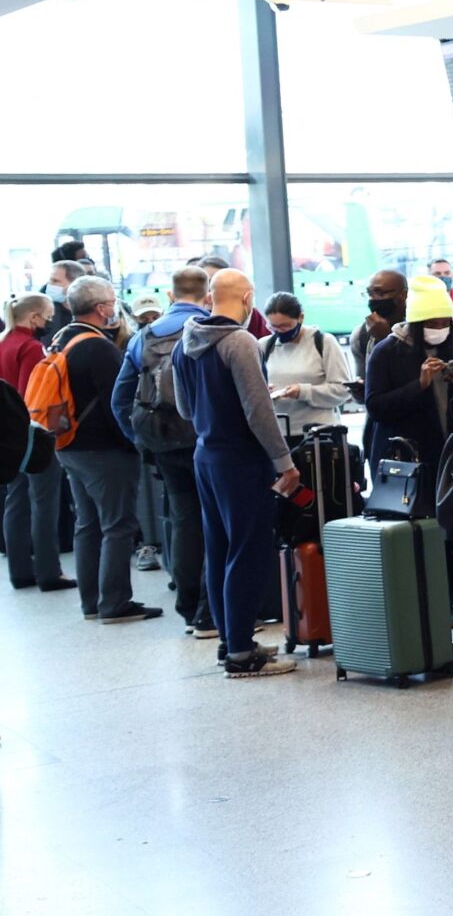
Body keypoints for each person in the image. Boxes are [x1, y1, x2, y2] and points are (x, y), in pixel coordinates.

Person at [174, 270, 300, 675]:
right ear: (248, 299)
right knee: (248, 551)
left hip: (205, 456)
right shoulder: (240, 342)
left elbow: (184, 408)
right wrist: (284, 462)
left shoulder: (185, 342)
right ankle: (243, 653)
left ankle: (231, 641)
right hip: (242, 460)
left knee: (219, 551)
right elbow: (259, 411)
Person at [46, 277, 160, 627]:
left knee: (88, 524)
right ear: (101, 308)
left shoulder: (61, 339)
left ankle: (92, 602)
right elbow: (118, 404)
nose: (115, 306)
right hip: (104, 451)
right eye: (112, 300)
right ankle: (115, 602)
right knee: (118, 524)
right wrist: (135, 443)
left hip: (69, 445)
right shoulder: (98, 347)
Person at [109, 267, 214, 633]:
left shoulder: (145, 336)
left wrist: (141, 440)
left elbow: (120, 399)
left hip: (164, 442)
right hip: (207, 441)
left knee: (184, 521)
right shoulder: (212, 330)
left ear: (170, 295)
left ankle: (188, 607)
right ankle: (211, 611)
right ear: (208, 297)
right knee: (216, 523)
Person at [1, 295, 71, 595]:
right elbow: (36, 395)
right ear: (34, 317)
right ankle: (48, 570)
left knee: (16, 501)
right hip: (33, 435)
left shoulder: (4, 343)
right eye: (48, 316)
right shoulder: (30, 348)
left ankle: (20, 570)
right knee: (44, 502)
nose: (50, 322)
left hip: (8, 439)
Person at [361, 277, 453, 470]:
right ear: (416, 323)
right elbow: (376, 407)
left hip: (452, 457)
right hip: (405, 460)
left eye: (445, 323)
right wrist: (419, 386)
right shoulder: (387, 352)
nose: (439, 329)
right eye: (432, 324)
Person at [259, 292, 357, 437]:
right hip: (278, 433)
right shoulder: (264, 345)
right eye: (274, 327)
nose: (280, 331)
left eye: (285, 326)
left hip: (319, 433)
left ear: (301, 317)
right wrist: (263, 391)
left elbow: (342, 390)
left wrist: (304, 392)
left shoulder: (324, 342)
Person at [348, 270, 406, 378]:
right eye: (369, 294)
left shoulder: (419, 328)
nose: (372, 299)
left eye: (380, 293)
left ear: (403, 295)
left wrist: (386, 340)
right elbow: (364, 378)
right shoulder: (361, 335)